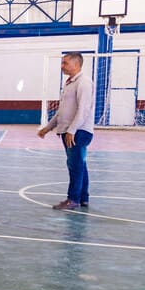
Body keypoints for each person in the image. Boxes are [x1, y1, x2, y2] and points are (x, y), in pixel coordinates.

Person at [38, 52, 94, 210]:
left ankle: (73, 199)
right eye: (62, 63)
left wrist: (72, 130)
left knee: (75, 165)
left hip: (79, 132)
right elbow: (61, 110)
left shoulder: (84, 83)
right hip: (69, 131)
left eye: (65, 63)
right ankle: (83, 198)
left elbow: (83, 110)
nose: (62, 66)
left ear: (76, 65)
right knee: (79, 164)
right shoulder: (69, 83)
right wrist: (48, 128)